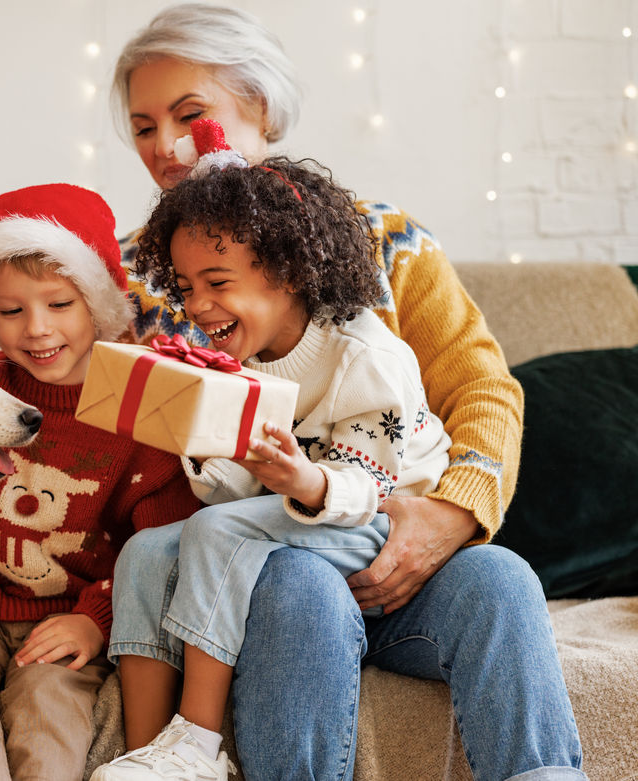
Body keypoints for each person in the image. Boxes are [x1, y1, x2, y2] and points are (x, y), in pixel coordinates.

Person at [104, 5, 585, 780]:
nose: (163, 146)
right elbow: (31, 350)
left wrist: (451, 512)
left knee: (501, 575)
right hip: (262, 568)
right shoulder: (134, 277)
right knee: (298, 587)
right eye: (143, 126)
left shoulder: (379, 238)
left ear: (258, 108)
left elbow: (483, 387)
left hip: (381, 538)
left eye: (189, 115)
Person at [93, 132, 454, 779]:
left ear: (286, 272)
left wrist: (304, 478)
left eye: (217, 282)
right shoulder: (241, 358)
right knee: (146, 550)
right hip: (295, 514)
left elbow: (367, 488)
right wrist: (201, 440)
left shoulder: (365, 356)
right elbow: (237, 491)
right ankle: (149, 757)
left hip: (382, 522)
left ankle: (198, 743)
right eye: (185, 285)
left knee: (216, 530)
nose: (196, 306)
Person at [0, 183, 203, 781]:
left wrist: (97, 617)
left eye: (60, 305)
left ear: (96, 304)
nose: (37, 330)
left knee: (49, 714)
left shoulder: (138, 403)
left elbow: (166, 541)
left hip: (69, 611)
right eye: (13, 311)